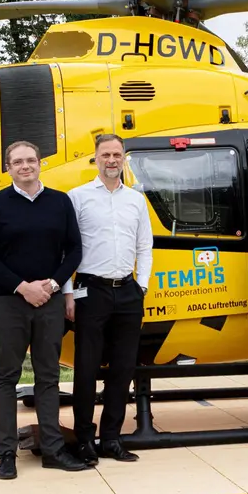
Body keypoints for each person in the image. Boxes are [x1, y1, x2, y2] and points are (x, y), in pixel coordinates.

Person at [0, 140, 86, 478]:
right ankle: (6, 453)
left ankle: (53, 449)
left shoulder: (60, 201)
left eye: (31, 160)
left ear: (40, 163)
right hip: (9, 301)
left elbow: (74, 250)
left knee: (48, 375)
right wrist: (22, 287)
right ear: (8, 168)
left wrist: (52, 285)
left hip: (49, 300)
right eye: (18, 162)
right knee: (6, 375)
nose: (25, 166)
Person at [66, 134, 153, 465]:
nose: (112, 160)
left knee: (123, 368)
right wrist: (68, 292)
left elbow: (145, 245)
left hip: (128, 291)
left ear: (123, 157)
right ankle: (85, 440)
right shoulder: (78, 197)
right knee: (86, 369)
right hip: (91, 291)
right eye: (106, 155)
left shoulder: (136, 200)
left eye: (117, 154)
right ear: (96, 158)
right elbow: (67, 249)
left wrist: (141, 286)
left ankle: (112, 439)